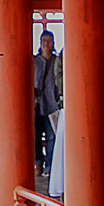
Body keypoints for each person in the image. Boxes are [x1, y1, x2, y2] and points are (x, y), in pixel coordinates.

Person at [32, 29, 62, 181]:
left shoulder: (57, 61)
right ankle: (38, 162)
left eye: (49, 41)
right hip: (37, 105)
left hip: (52, 104)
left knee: (52, 137)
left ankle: (50, 165)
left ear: (53, 43)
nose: (46, 43)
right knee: (35, 136)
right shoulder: (34, 62)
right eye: (44, 40)